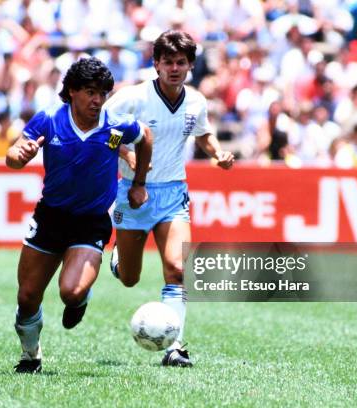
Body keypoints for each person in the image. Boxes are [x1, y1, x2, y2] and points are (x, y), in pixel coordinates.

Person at [5, 57, 153, 374]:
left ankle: (81, 299)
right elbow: (14, 155)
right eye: (90, 92)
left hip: (90, 222)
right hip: (50, 218)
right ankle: (31, 355)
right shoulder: (48, 119)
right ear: (72, 91)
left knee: (70, 292)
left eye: (102, 93)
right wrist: (19, 155)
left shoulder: (114, 122)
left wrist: (138, 183)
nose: (97, 100)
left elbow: (145, 138)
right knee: (28, 296)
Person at [104, 30, 234, 367]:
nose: (174, 68)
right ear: (156, 64)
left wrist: (217, 154)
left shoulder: (196, 102)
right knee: (130, 279)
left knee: (177, 269)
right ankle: (120, 259)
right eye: (167, 62)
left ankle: (175, 347)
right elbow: (107, 135)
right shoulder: (132, 99)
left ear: (190, 65)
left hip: (173, 193)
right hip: (134, 194)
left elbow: (204, 134)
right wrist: (129, 158)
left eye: (180, 62)